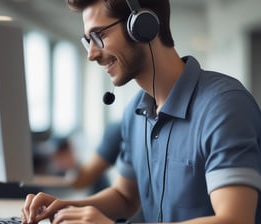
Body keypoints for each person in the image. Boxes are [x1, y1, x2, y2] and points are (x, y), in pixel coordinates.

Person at [21, 0, 261, 223]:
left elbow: (235, 219)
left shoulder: (223, 106)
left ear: (143, 25)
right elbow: (125, 197)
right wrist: (63, 207)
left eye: (99, 35)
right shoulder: (135, 112)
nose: (91, 54)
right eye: (88, 40)